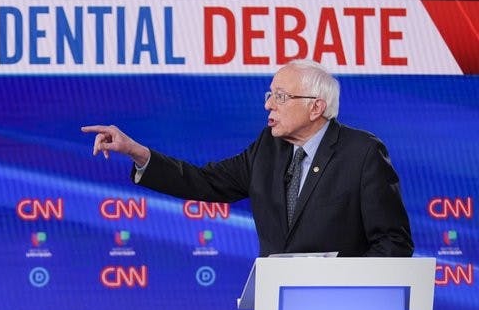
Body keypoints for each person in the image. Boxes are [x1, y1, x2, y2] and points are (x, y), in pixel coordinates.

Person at [81, 59, 413, 257]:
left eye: (281, 97)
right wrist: (137, 152)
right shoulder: (267, 150)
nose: (269, 105)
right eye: (270, 95)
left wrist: (339, 281)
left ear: (316, 106)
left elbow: (394, 242)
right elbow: (203, 182)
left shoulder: (362, 153)